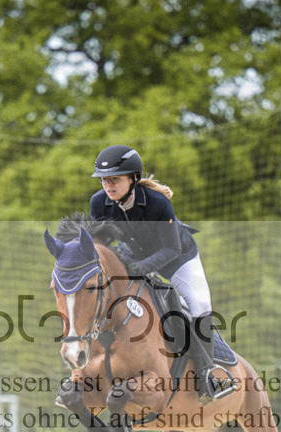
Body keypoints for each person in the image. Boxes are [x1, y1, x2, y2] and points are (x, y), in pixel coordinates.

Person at [89, 143, 232, 405]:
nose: (108, 186)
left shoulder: (157, 203)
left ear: (133, 178)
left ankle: (208, 372)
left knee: (200, 304)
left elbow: (171, 247)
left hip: (178, 258)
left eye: (115, 179)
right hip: (133, 256)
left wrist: (144, 268)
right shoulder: (99, 203)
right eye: (104, 180)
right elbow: (101, 246)